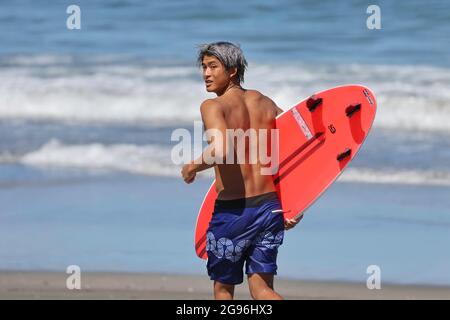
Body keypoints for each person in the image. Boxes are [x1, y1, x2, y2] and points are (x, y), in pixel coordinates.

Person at [181, 42, 300, 300]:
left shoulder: (213, 106)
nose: (206, 74)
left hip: (234, 212)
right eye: (203, 67)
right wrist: (293, 204)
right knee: (262, 289)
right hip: (269, 209)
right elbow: (292, 148)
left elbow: (222, 149)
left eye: (213, 66)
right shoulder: (266, 103)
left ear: (233, 70)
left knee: (224, 289)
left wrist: (191, 166)